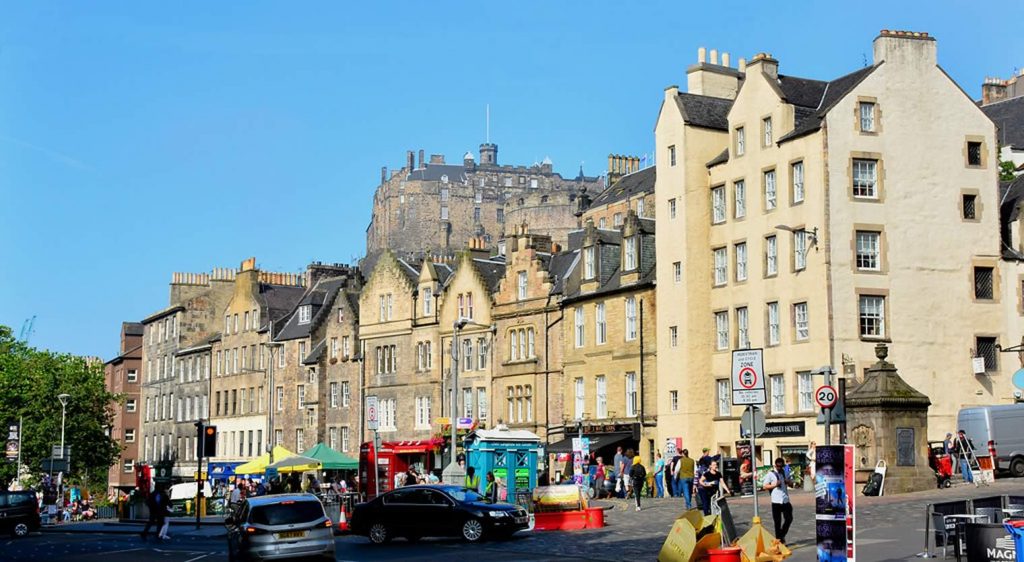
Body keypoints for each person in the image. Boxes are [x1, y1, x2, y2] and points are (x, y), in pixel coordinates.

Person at [763, 457, 794, 544]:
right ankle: (779, 541)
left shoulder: (785, 472)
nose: (779, 468)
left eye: (781, 467)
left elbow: (792, 485)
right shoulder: (771, 474)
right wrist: (775, 485)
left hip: (785, 500)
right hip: (776, 501)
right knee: (777, 522)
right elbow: (765, 486)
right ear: (775, 465)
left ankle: (781, 535)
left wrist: (789, 482)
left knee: (789, 519)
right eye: (778, 467)